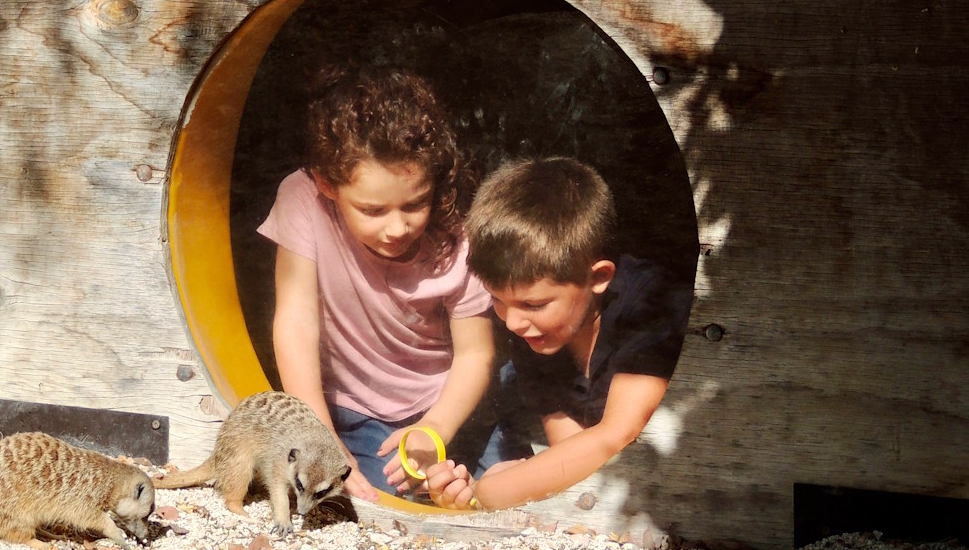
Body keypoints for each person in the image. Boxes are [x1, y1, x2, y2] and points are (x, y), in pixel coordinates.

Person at [259, 66, 496, 502]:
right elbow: (295, 323)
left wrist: (436, 427)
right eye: (372, 210)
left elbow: (476, 352)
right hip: (356, 410)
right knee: (381, 502)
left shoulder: (460, 232)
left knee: (502, 490)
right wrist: (323, 443)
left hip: (449, 398)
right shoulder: (302, 200)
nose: (397, 227)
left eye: (415, 204)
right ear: (328, 184)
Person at [422, 156, 692, 511]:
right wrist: (470, 492)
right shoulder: (536, 335)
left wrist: (490, 493)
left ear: (597, 278)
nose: (512, 322)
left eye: (533, 305)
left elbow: (620, 435)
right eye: (497, 300)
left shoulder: (651, 306)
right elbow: (572, 456)